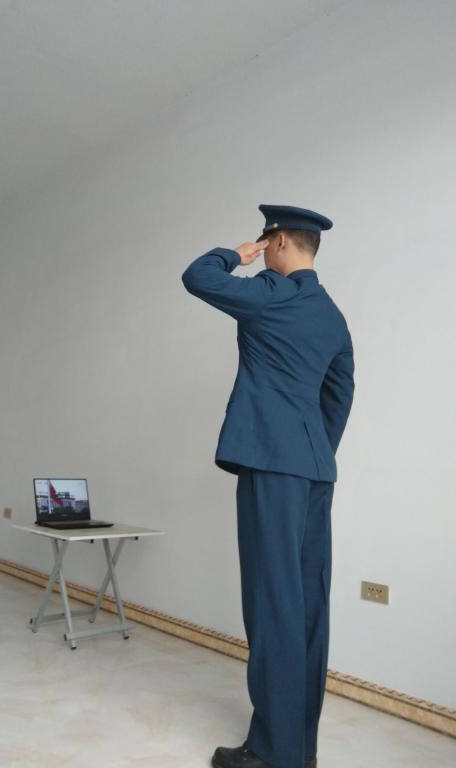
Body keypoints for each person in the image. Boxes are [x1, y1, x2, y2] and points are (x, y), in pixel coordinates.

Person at [181, 204, 355, 768]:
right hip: (314, 471)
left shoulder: (270, 293)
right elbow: (340, 394)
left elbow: (198, 275)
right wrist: (313, 450)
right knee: (307, 606)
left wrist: (237, 253)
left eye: (265, 242)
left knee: (272, 602)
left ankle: (271, 754)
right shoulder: (332, 314)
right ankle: (300, 748)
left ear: (277, 241)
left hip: (272, 467)